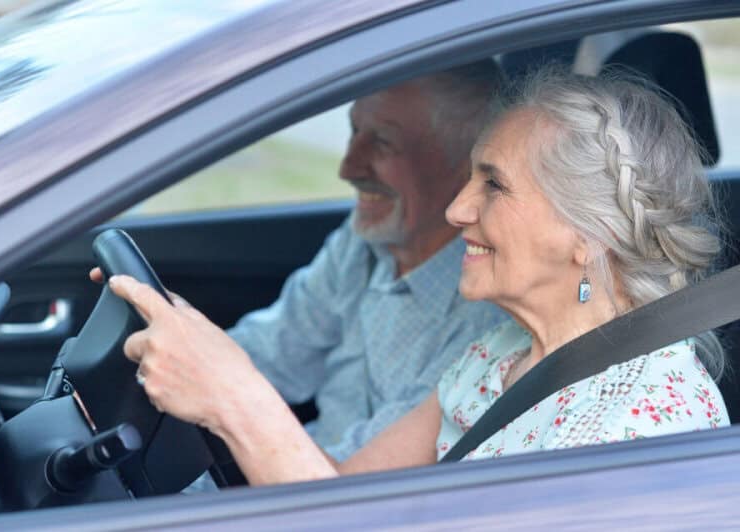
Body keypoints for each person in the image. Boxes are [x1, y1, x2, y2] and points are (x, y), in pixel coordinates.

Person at [107, 68, 728, 486]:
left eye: (494, 185)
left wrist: (233, 397)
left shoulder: (637, 432)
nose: (458, 210)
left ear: (586, 236)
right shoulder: (502, 353)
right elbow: (344, 498)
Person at [94, 61, 509, 462]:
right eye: (354, 131)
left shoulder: (489, 314)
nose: (348, 167)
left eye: (383, 143)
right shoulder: (364, 240)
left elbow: (351, 490)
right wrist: (164, 347)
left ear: (465, 170)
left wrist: (223, 392)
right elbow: (276, 353)